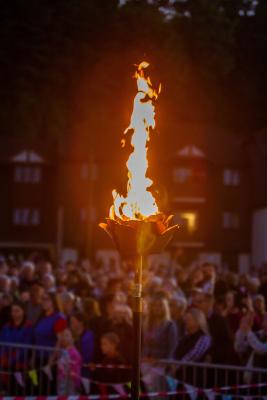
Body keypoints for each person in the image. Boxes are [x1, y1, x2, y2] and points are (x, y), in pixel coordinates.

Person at [55, 329, 82, 395]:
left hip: (70, 383)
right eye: (63, 336)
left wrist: (75, 384)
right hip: (61, 381)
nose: (64, 337)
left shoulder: (74, 353)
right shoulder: (63, 351)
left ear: (73, 338)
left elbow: (76, 371)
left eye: (66, 335)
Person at [70, 311, 94, 377]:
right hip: (72, 369)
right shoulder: (71, 335)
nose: (71, 324)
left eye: (73, 322)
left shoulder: (88, 336)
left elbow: (87, 356)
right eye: (71, 322)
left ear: (80, 323)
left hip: (83, 371)